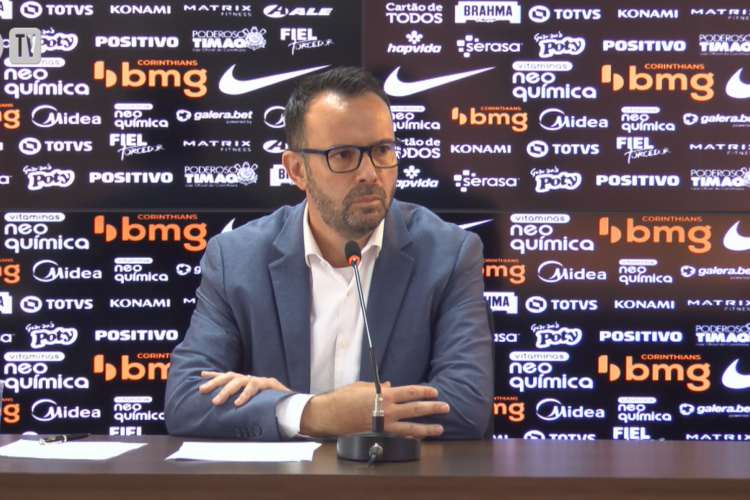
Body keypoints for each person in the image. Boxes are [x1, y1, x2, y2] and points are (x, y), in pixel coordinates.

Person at [165, 67, 492, 441]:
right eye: (344, 155)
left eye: (382, 150)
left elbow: (466, 406)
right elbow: (186, 401)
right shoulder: (236, 260)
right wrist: (311, 413)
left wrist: (304, 409)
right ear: (297, 170)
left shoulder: (449, 255)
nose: (370, 173)